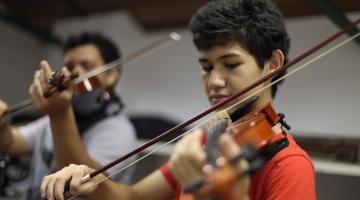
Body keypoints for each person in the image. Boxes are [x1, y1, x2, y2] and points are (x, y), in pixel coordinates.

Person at [39, 0, 316, 199]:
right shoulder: (211, 140)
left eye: (230, 65)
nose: (213, 81)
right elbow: (133, 196)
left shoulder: (289, 166)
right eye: (207, 67)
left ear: (272, 64)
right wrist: (93, 179)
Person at [0, 32, 138, 199]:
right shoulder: (55, 116)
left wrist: (59, 113)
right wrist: (2, 124)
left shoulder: (119, 131)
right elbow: (11, 143)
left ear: (111, 74)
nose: (76, 73)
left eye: (86, 65)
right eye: (70, 67)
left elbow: (80, 183)